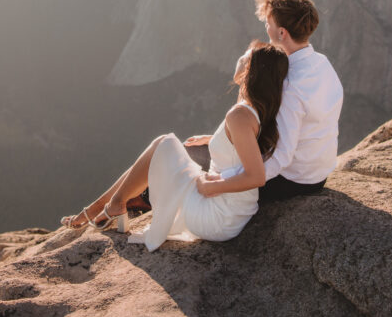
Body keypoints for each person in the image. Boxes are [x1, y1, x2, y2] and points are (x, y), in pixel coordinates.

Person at [60, 40, 289, 251]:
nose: (239, 58)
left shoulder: (240, 115)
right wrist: (215, 139)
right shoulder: (253, 111)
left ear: (250, 70)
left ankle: (110, 205)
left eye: (245, 57)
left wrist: (212, 188)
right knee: (163, 147)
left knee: (164, 143)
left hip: (218, 214)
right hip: (230, 210)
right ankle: (108, 205)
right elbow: (243, 145)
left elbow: (256, 176)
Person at [249, 0, 343, 202]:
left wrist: (235, 181)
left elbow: (282, 156)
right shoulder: (322, 63)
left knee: (210, 173)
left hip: (292, 180)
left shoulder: (290, 84)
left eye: (268, 23)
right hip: (319, 173)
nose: (266, 28)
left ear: (282, 33)